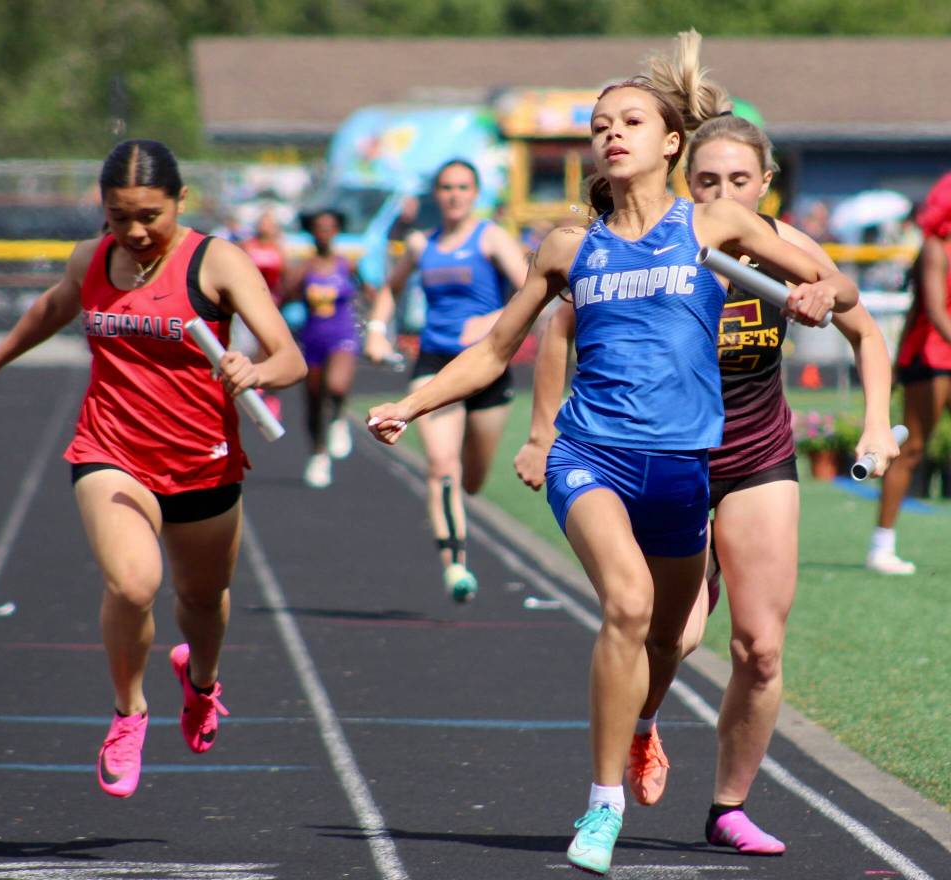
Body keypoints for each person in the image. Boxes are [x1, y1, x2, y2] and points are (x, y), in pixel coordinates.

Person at [367, 71, 858, 874]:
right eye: (600, 124)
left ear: (672, 143)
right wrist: (415, 403)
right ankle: (602, 808)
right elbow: (496, 349)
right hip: (589, 455)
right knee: (626, 604)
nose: (612, 134)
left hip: (680, 469)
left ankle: (638, 726)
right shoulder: (568, 246)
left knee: (668, 635)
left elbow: (830, 280)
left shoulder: (715, 222)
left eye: (630, 120)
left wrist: (819, 294)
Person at [513, 31, 899, 857]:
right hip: (657, 455)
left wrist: (867, 406)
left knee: (759, 647)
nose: (722, 191)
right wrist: (543, 433)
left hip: (752, 455)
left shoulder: (774, 248)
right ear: (687, 177)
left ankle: (727, 806)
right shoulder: (660, 242)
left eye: (738, 181)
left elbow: (860, 323)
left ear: (766, 187)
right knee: (673, 635)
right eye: (708, 180)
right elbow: (560, 333)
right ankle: (644, 723)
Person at [0, 139, 307, 799]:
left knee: (202, 600)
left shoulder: (215, 261)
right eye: (118, 216)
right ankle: (129, 711)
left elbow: (290, 358)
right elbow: (53, 308)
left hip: (202, 459)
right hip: (112, 449)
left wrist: (255, 369)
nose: (134, 231)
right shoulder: (94, 257)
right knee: (134, 584)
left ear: (180, 201)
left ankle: (200, 685)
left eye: (149, 215)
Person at [363, 159, 529, 602]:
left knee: (471, 478)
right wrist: (378, 332)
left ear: (475, 193)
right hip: (434, 362)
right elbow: (389, 288)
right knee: (442, 466)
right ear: (436, 194)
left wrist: (492, 322)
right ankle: (455, 565)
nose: (454, 195)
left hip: (486, 365)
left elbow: (533, 290)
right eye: (446, 187)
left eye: (462, 187)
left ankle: (461, 506)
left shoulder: (491, 237)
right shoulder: (421, 245)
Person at [869, 172, 951, 574]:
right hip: (930, 357)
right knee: (913, 447)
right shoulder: (936, 247)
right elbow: (935, 313)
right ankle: (881, 544)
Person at [289, 208, 373, 488]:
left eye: (329, 227)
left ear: (337, 231)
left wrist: (376, 321)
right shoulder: (304, 269)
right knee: (313, 403)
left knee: (336, 386)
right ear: (312, 232)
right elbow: (277, 299)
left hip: (343, 336)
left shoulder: (346, 265)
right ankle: (318, 454)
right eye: (319, 228)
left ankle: (338, 417)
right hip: (312, 339)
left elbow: (371, 290)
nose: (324, 233)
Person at [240, 209, 288, 421]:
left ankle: (269, 393)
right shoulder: (248, 246)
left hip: (271, 304)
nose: (265, 227)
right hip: (247, 304)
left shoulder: (279, 248)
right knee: (247, 348)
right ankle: (252, 384)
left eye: (270, 223)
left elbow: (286, 276)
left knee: (268, 349)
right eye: (263, 222)